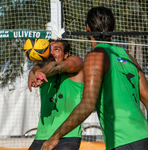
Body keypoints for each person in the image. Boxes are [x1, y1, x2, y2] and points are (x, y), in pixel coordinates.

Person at [41, 6, 148, 150]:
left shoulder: (95, 57)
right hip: (144, 136)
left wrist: (55, 137)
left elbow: (87, 105)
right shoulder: (128, 56)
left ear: (87, 27)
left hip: (124, 142)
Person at [28, 39, 84, 150]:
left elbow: (56, 66)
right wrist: (33, 71)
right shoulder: (40, 69)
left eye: (57, 50)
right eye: (49, 50)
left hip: (67, 136)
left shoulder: (75, 62)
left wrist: (39, 72)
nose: (52, 53)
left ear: (66, 54)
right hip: (42, 136)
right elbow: (40, 66)